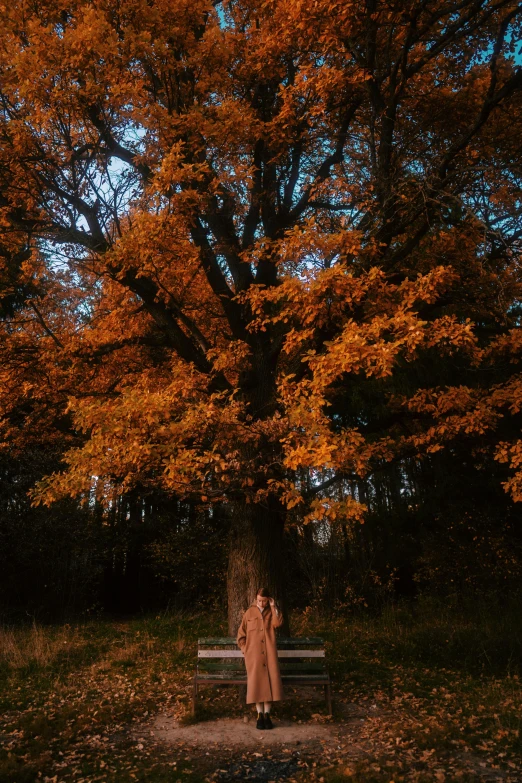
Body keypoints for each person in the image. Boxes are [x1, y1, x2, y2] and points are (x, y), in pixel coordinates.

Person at [236, 587, 284, 730]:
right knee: (257, 684)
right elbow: (241, 636)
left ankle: (267, 715)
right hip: (254, 656)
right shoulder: (249, 613)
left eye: (264, 601)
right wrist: (246, 650)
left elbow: (277, 624)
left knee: (270, 683)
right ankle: (259, 715)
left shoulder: (272, 611)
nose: (261, 603)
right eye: (259, 600)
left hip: (269, 654)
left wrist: (273, 606)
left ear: (268, 599)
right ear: (255, 599)